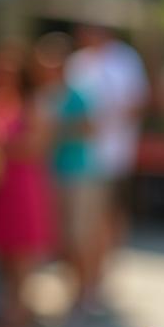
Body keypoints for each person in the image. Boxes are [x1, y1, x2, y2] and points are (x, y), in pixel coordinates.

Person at [66, 24, 148, 301]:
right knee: (86, 224)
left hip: (112, 156)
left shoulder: (124, 60)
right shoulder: (78, 62)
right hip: (81, 157)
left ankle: (100, 275)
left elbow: (137, 103)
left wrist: (106, 118)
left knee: (105, 218)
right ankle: (90, 278)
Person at [0, 49, 56, 327]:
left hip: (24, 182)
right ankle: (11, 306)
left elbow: (37, 146)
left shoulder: (34, 104)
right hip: (2, 183)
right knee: (5, 248)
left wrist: (2, 147)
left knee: (23, 250)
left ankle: (22, 309)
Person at [33, 32, 104, 308]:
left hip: (79, 173)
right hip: (56, 173)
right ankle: (75, 289)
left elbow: (89, 129)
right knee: (62, 238)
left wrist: (57, 130)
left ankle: (86, 291)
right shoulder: (46, 95)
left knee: (79, 236)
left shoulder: (76, 95)